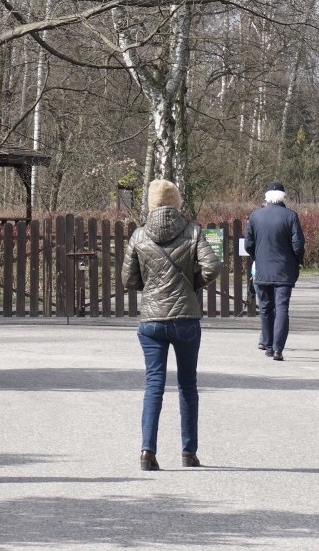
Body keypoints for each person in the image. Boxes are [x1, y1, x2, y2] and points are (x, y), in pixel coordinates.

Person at [121, 179, 221, 471]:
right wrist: (193, 285)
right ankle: (188, 452)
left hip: (152, 321)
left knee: (154, 385)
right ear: (177, 202)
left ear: (151, 204)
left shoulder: (139, 237)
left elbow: (128, 280)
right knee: (188, 385)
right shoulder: (193, 232)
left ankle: (147, 451)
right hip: (186, 319)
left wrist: (150, 289)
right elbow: (212, 266)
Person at [244, 181, 305, 361]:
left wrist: (258, 257)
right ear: (283, 196)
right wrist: (296, 261)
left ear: (266, 197)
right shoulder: (291, 216)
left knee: (265, 308)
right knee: (282, 308)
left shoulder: (255, 216)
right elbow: (298, 244)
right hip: (284, 271)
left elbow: (248, 244)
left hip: (262, 270)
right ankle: (278, 349)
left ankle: (269, 345)